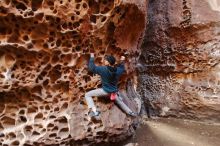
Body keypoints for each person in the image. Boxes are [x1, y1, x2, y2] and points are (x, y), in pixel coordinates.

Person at [84, 53, 125, 120]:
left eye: (105, 60)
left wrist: (92, 57)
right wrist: (122, 60)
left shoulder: (103, 69)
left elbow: (92, 68)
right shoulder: (118, 70)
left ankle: (94, 112)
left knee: (87, 95)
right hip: (114, 91)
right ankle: (130, 111)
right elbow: (122, 67)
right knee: (119, 101)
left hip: (105, 91)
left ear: (108, 62)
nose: (104, 61)